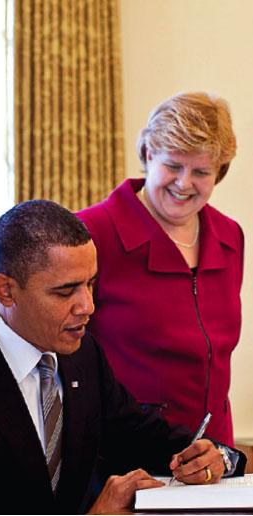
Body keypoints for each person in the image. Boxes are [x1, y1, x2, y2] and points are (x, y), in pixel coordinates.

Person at [0, 200, 245, 515]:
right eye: (65, 292)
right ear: (5, 290)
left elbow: (143, 435)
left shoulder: (84, 354)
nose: (87, 306)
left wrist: (218, 456)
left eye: (90, 284)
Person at [76, 92, 243, 448]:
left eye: (201, 172)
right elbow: (64, 356)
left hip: (214, 454)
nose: (184, 184)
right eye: (173, 165)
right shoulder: (91, 232)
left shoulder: (230, 237)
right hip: (126, 452)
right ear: (149, 155)